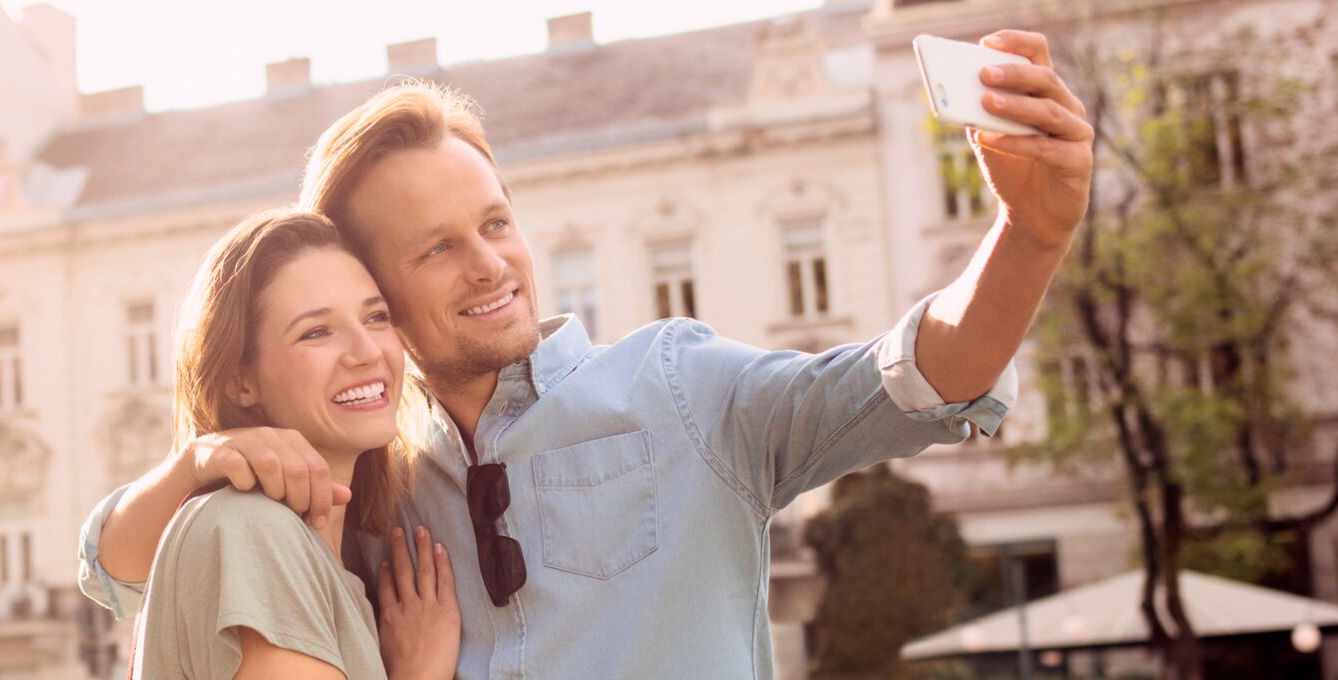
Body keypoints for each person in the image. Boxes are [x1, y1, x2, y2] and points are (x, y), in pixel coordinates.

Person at [79, 29, 1093, 679]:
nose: (491, 265)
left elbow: (919, 372)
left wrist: (1028, 235)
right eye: (437, 248)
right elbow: (121, 569)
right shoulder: (370, 488)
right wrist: (201, 456)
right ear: (381, 295)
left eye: (496, 223)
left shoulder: (682, 387)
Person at [125, 210, 460, 679]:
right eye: (316, 332)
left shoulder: (310, 550)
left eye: (376, 316)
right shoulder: (252, 531)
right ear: (241, 383)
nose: (367, 351)